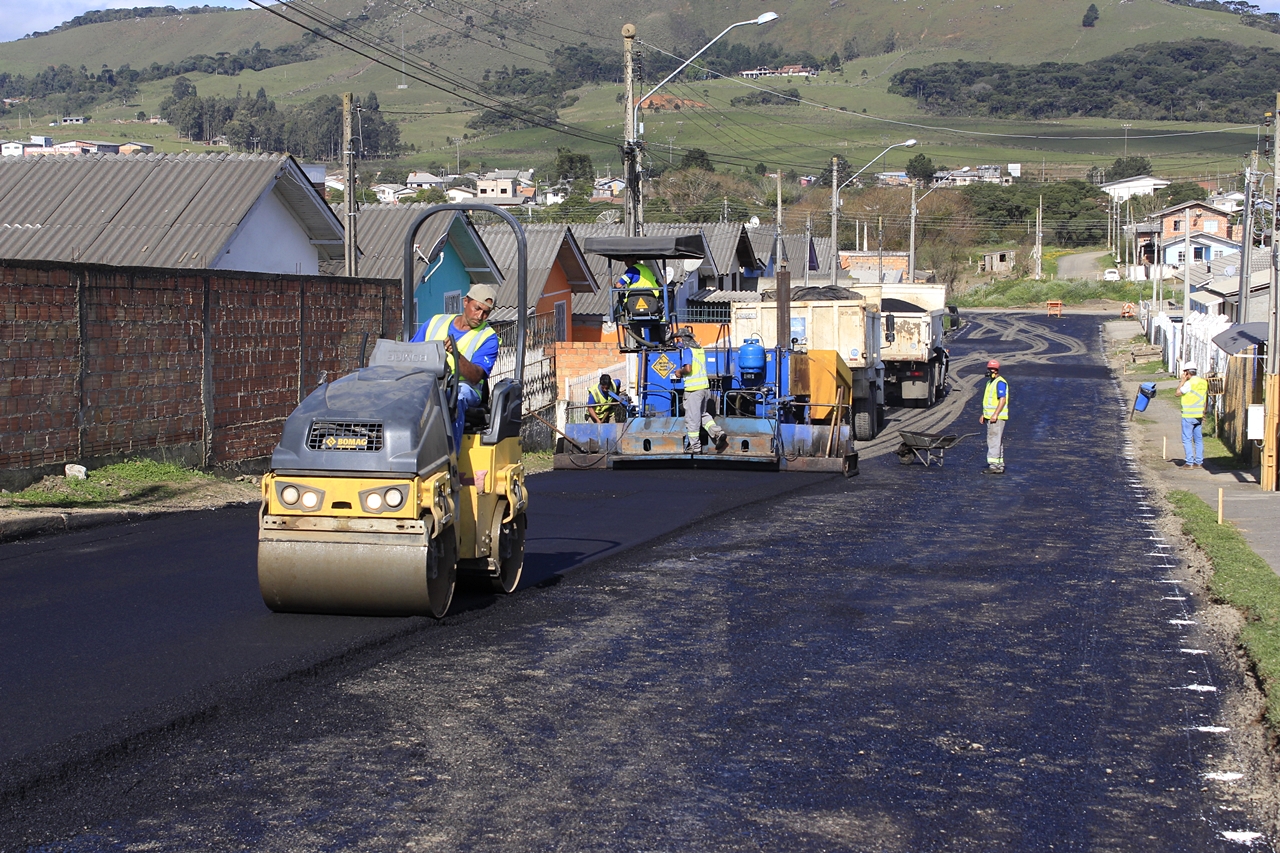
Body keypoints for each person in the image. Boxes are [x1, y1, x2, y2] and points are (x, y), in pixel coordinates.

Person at [411, 284, 500, 448]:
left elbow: (475, 376)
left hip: (465, 387)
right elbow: (411, 352)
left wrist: (456, 354)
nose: (480, 316)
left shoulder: (488, 338)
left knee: (454, 396)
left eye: (486, 312)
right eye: (477, 308)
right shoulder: (435, 322)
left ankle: (449, 456)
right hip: (427, 382)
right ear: (466, 302)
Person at [672, 328, 727, 453]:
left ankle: (695, 447)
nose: (677, 342)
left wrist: (679, 372)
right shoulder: (699, 350)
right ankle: (718, 433)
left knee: (692, 419)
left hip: (693, 390)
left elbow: (688, 368)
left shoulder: (687, 350)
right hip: (703, 388)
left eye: (678, 339)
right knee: (702, 415)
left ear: (683, 339)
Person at [1175, 363, 1209, 469]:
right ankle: (1199, 461)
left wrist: (1182, 381)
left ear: (1187, 372)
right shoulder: (1203, 382)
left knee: (1187, 439)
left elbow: (1177, 393)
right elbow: (1205, 398)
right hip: (1199, 414)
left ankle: (1189, 462)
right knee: (1198, 439)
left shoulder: (1189, 383)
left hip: (1188, 415)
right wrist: (1204, 412)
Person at [979, 358, 1009, 474]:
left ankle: (994, 465)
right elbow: (989, 402)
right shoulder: (990, 382)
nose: (990, 371)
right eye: (989, 369)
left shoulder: (1000, 382)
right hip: (991, 416)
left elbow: (1002, 399)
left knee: (993, 440)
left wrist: (995, 414)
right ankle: (999, 463)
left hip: (997, 418)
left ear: (996, 371)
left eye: (992, 369)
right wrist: (984, 414)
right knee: (997, 440)